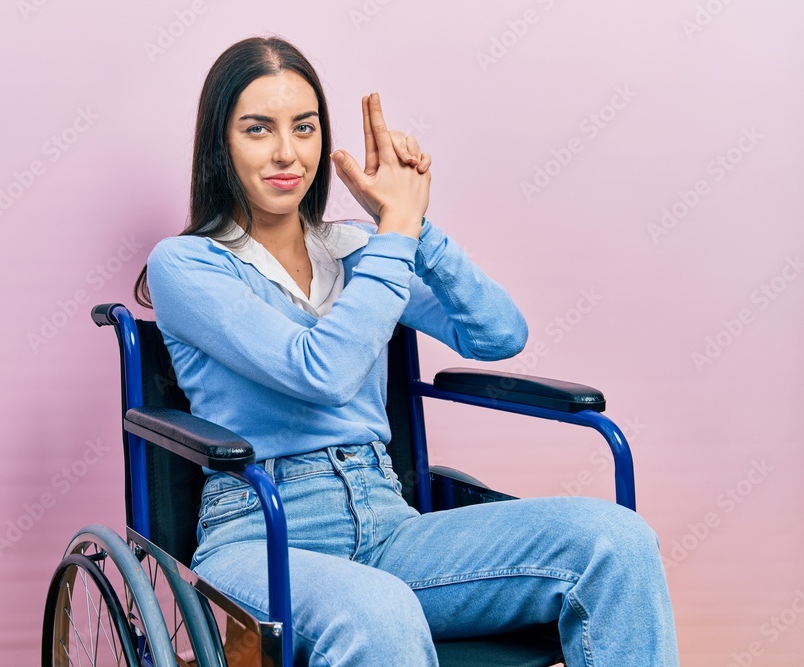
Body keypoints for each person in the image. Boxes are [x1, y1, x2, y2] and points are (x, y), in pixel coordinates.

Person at [135, 36, 679, 666]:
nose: (287, 152)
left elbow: (498, 335)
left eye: (304, 128)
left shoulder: (359, 250)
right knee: (379, 611)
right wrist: (395, 234)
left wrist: (415, 223)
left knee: (616, 541)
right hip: (262, 534)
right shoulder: (189, 264)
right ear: (220, 145)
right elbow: (322, 371)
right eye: (259, 129)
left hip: (387, 520)